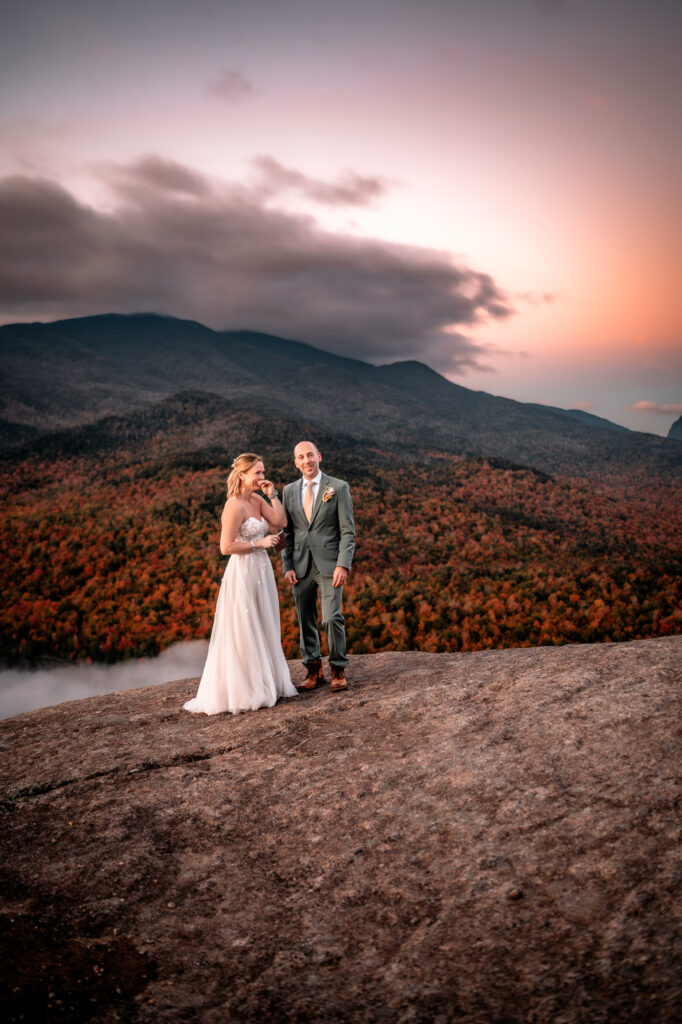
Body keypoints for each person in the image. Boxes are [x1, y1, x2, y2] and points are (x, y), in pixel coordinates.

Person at [184, 453, 298, 715]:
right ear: (242, 475)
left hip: (262, 570)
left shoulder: (257, 500)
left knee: (264, 620)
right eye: (257, 473)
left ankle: (267, 680)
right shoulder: (233, 505)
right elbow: (226, 546)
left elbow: (280, 522)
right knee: (245, 626)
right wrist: (259, 543)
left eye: (263, 472)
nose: (262, 477)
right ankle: (246, 687)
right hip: (243, 570)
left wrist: (272, 495)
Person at [281, 441, 355, 692]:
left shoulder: (338, 487)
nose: (306, 461)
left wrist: (343, 565)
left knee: (332, 617)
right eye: (301, 457)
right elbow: (285, 532)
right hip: (300, 566)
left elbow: (348, 533)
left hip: (330, 565)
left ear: (319, 457)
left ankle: (338, 668)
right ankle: (313, 670)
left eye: (310, 455)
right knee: (305, 619)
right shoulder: (288, 491)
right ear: (296, 462)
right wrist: (287, 564)